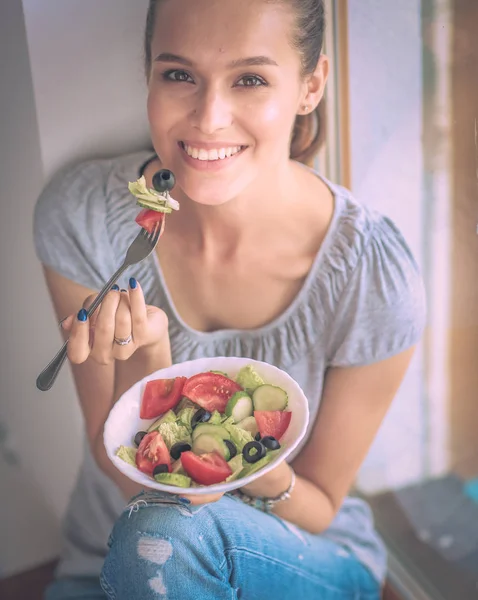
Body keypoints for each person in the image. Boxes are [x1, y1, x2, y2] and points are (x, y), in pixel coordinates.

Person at [34, 0, 426, 598]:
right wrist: (149, 358)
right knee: (154, 542)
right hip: (112, 562)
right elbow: (127, 482)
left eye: (250, 79)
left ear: (310, 85)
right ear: (149, 76)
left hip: (300, 556)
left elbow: (317, 506)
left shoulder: (374, 277)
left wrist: (244, 466)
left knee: (167, 534)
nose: (209, 118)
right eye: (179, 75)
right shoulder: (84, 218)